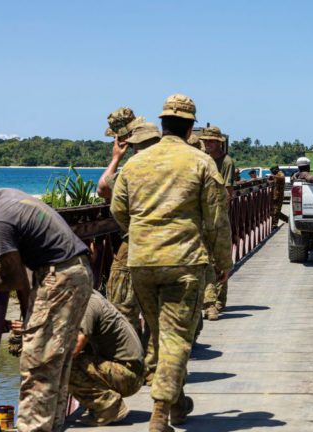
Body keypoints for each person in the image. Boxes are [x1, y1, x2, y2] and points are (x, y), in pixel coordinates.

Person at [111, 93, 233, 431]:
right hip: (183, 261)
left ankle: (177, 403)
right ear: (191, 126)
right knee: (177, 337)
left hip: (141, 262)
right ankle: (160, 412)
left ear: (162, 123)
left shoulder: (135, 163)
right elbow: (216, 219)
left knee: (160, 336)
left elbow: (117, 209)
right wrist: (223, 261)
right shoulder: (200, 162)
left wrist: (141, 233)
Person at [0, 189, 92, 431]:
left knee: (37, 361)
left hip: (59, 278)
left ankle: (32, 428)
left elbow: (13, 280)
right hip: (77, 270)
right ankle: (53, 425)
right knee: (57, 359)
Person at [98, 115, 162, 337]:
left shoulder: (133, 168)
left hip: (136, 244)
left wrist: (116, 158)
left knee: (122, 302)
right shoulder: (171, 167)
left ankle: (132, 352)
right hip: (169, 244)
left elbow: (103, 188)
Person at [70, 290, 144, 426]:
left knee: (66, 366)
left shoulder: (87, 304)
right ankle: (103, 404)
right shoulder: (90, 296)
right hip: (128, 370)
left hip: (129, 375)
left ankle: (109, 406)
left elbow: (74, 348)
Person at [200, 125, 234, 320]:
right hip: (203, 218)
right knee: (207, 260)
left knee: (221, 260)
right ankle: (210, 302)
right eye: (205, 141)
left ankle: (220, 299)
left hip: (219, 216)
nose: (207, 144)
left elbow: (229, 192)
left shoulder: (226, 162)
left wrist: (218, 209)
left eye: (211, 141)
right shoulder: (203, 160)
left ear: (219, 142)